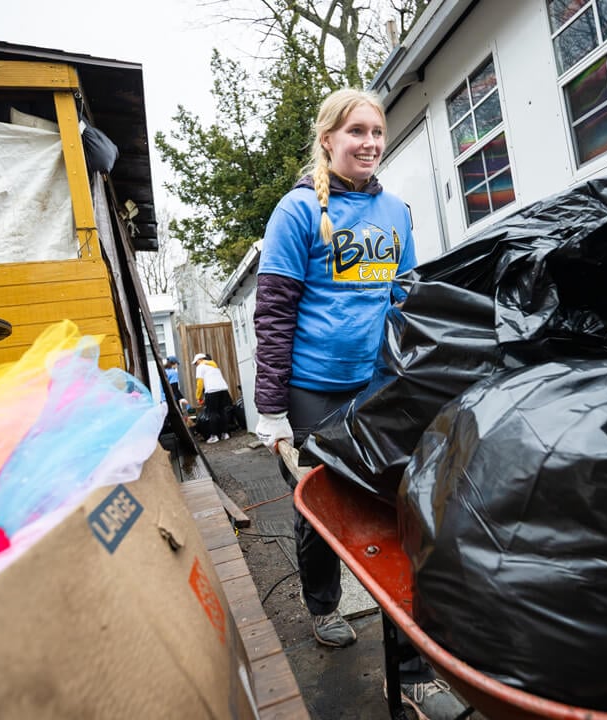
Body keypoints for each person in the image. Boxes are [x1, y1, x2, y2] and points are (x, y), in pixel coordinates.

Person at [252, 88, 467, 720]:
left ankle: (409, 670)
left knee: (398, 508)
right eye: (356, 132)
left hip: (379, 386)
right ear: (328, 139)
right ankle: (322, 605)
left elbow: (408, 304)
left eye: (377, 131)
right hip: (312, 389)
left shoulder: (397, 212)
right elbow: (272, 315)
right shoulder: (296, 213)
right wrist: (269, 411)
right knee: (327, 507)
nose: (369, 142)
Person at [193, 352, 231, 444]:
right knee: (222, 411)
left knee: (212, 413)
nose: (195, 364)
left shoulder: (200, 366)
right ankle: (225, 434)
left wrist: (198, 396)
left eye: (195, 362)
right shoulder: (214, 365)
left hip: (212, 391)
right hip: (223, 389)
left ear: (200, 359)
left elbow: (200, 383)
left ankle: (214, 436)